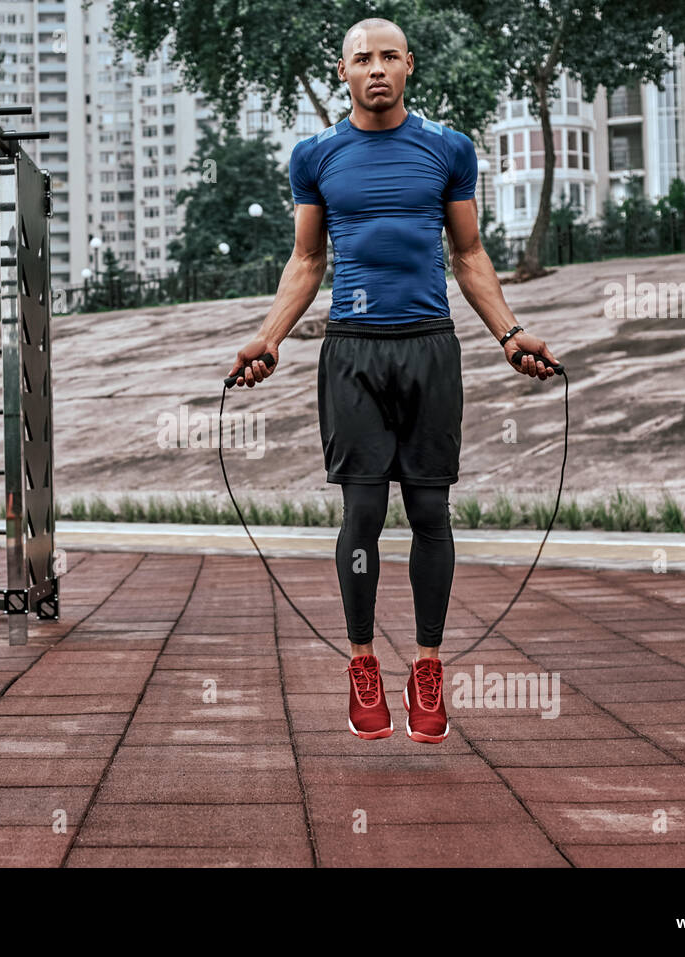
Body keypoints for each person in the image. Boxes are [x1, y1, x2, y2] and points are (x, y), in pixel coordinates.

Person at [227, 17, 561, 743]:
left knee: (432, 513)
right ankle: (363, 663)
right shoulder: (315, 156)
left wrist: (509, 333)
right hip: (352, 352)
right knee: (364, 516)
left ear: (409, 65)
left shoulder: (448, 150)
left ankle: (430, 668)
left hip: (429, 348)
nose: (375, 68)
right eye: (360, 59)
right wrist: (269, 337)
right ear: (341, 73)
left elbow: (468, 254)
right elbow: (307, 261)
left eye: (387, 56)